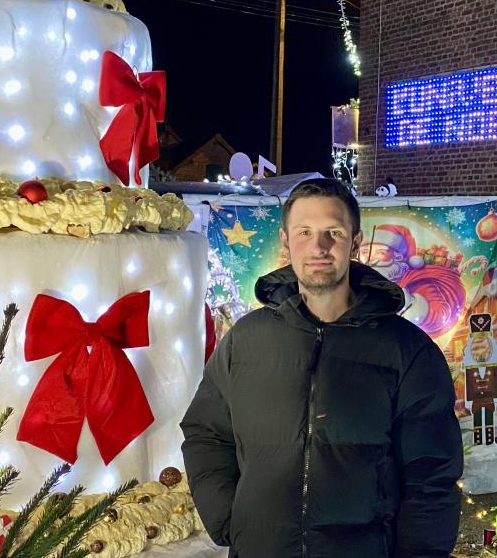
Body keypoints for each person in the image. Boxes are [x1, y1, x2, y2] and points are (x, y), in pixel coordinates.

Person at [180, 178, 462, 557]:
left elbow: (431, 475)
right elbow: (206, 433)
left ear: (356, 243)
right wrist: (230, 518)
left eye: (333, 232)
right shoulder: (247, 341)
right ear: (285, 241)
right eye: (305, 232)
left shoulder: (407, 350)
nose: (319, 246)